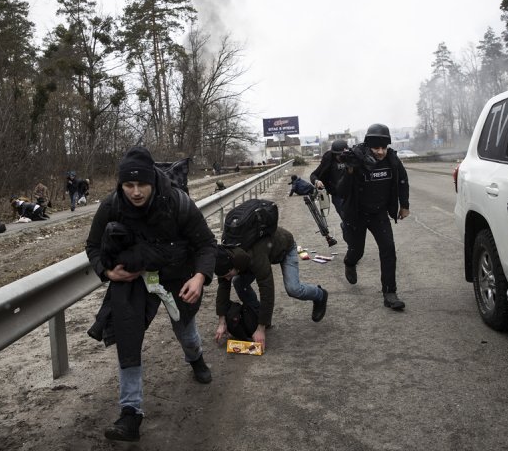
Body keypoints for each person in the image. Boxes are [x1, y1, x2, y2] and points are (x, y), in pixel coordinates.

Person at [85, 146, 217, 443]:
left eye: (141, 184)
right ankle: (130, 414)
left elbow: (207, 245)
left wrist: (199, 277)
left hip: (177, 275)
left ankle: (195, 358)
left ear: (152, 182)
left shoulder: (177, 203)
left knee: (186, 332)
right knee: (127, 337)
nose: (135, 192)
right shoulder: (112, 205)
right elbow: (92, 247)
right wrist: (107, 273)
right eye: (128, 185)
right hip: (134, 277)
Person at [214, 226, 328, 350]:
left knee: (293, 289)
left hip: (285, 247)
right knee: (238, 282)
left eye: (227, 275)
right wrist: (221, 321)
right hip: (257, 254)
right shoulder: (224, 255)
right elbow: (223, 287)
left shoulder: (256, 257)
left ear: (234, 266)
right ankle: (258, 314)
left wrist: (260, 328)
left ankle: (320, 294)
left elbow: (267, 290)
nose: (226, 278)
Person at [336, 123, 410, 310]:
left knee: (388, 250)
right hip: (357, 214)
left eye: (383, 147)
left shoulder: (392, 160)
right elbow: (341, 191)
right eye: (376, 148)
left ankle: (390, 293)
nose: (380, 152)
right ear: (369, 146)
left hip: (379, 214)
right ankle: (349, 262)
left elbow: (402, 181)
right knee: (357, 250)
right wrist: (350, 172)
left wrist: (405, 205)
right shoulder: (357, 159)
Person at [310, 139, 349, 220]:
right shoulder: (329, 160)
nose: (340, 157)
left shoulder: (352, 158)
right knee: (346, 219)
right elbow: (314, 175)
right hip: (337, 195)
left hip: (352, 194)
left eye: (342, 155)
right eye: (337, 155)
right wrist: (317, 181)